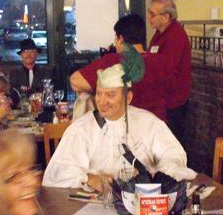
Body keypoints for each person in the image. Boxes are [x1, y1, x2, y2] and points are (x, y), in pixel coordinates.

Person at [43, 61, 196, 190]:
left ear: (128, 98)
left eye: (110, 95)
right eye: (99, 94)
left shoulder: (149, 123)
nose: (102, 101)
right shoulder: (81, 128)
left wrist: (159, 176)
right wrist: (88, 178)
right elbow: (58, 171)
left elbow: (173, 156)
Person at [70, 14, 168, 121]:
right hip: (157, 125)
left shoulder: (114, 60)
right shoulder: (161, 61)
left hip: (124, 126)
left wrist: (99, 91)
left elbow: (75, 82)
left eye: (115, 38)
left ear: (120, 39)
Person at [147, 0, 191, 143]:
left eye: (152, 14)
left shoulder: (175, 36)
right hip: (160, 100)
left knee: (171, 143)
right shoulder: (159, 33)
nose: (148, 17)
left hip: (172, 102)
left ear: (166, 17)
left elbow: (167, 69)